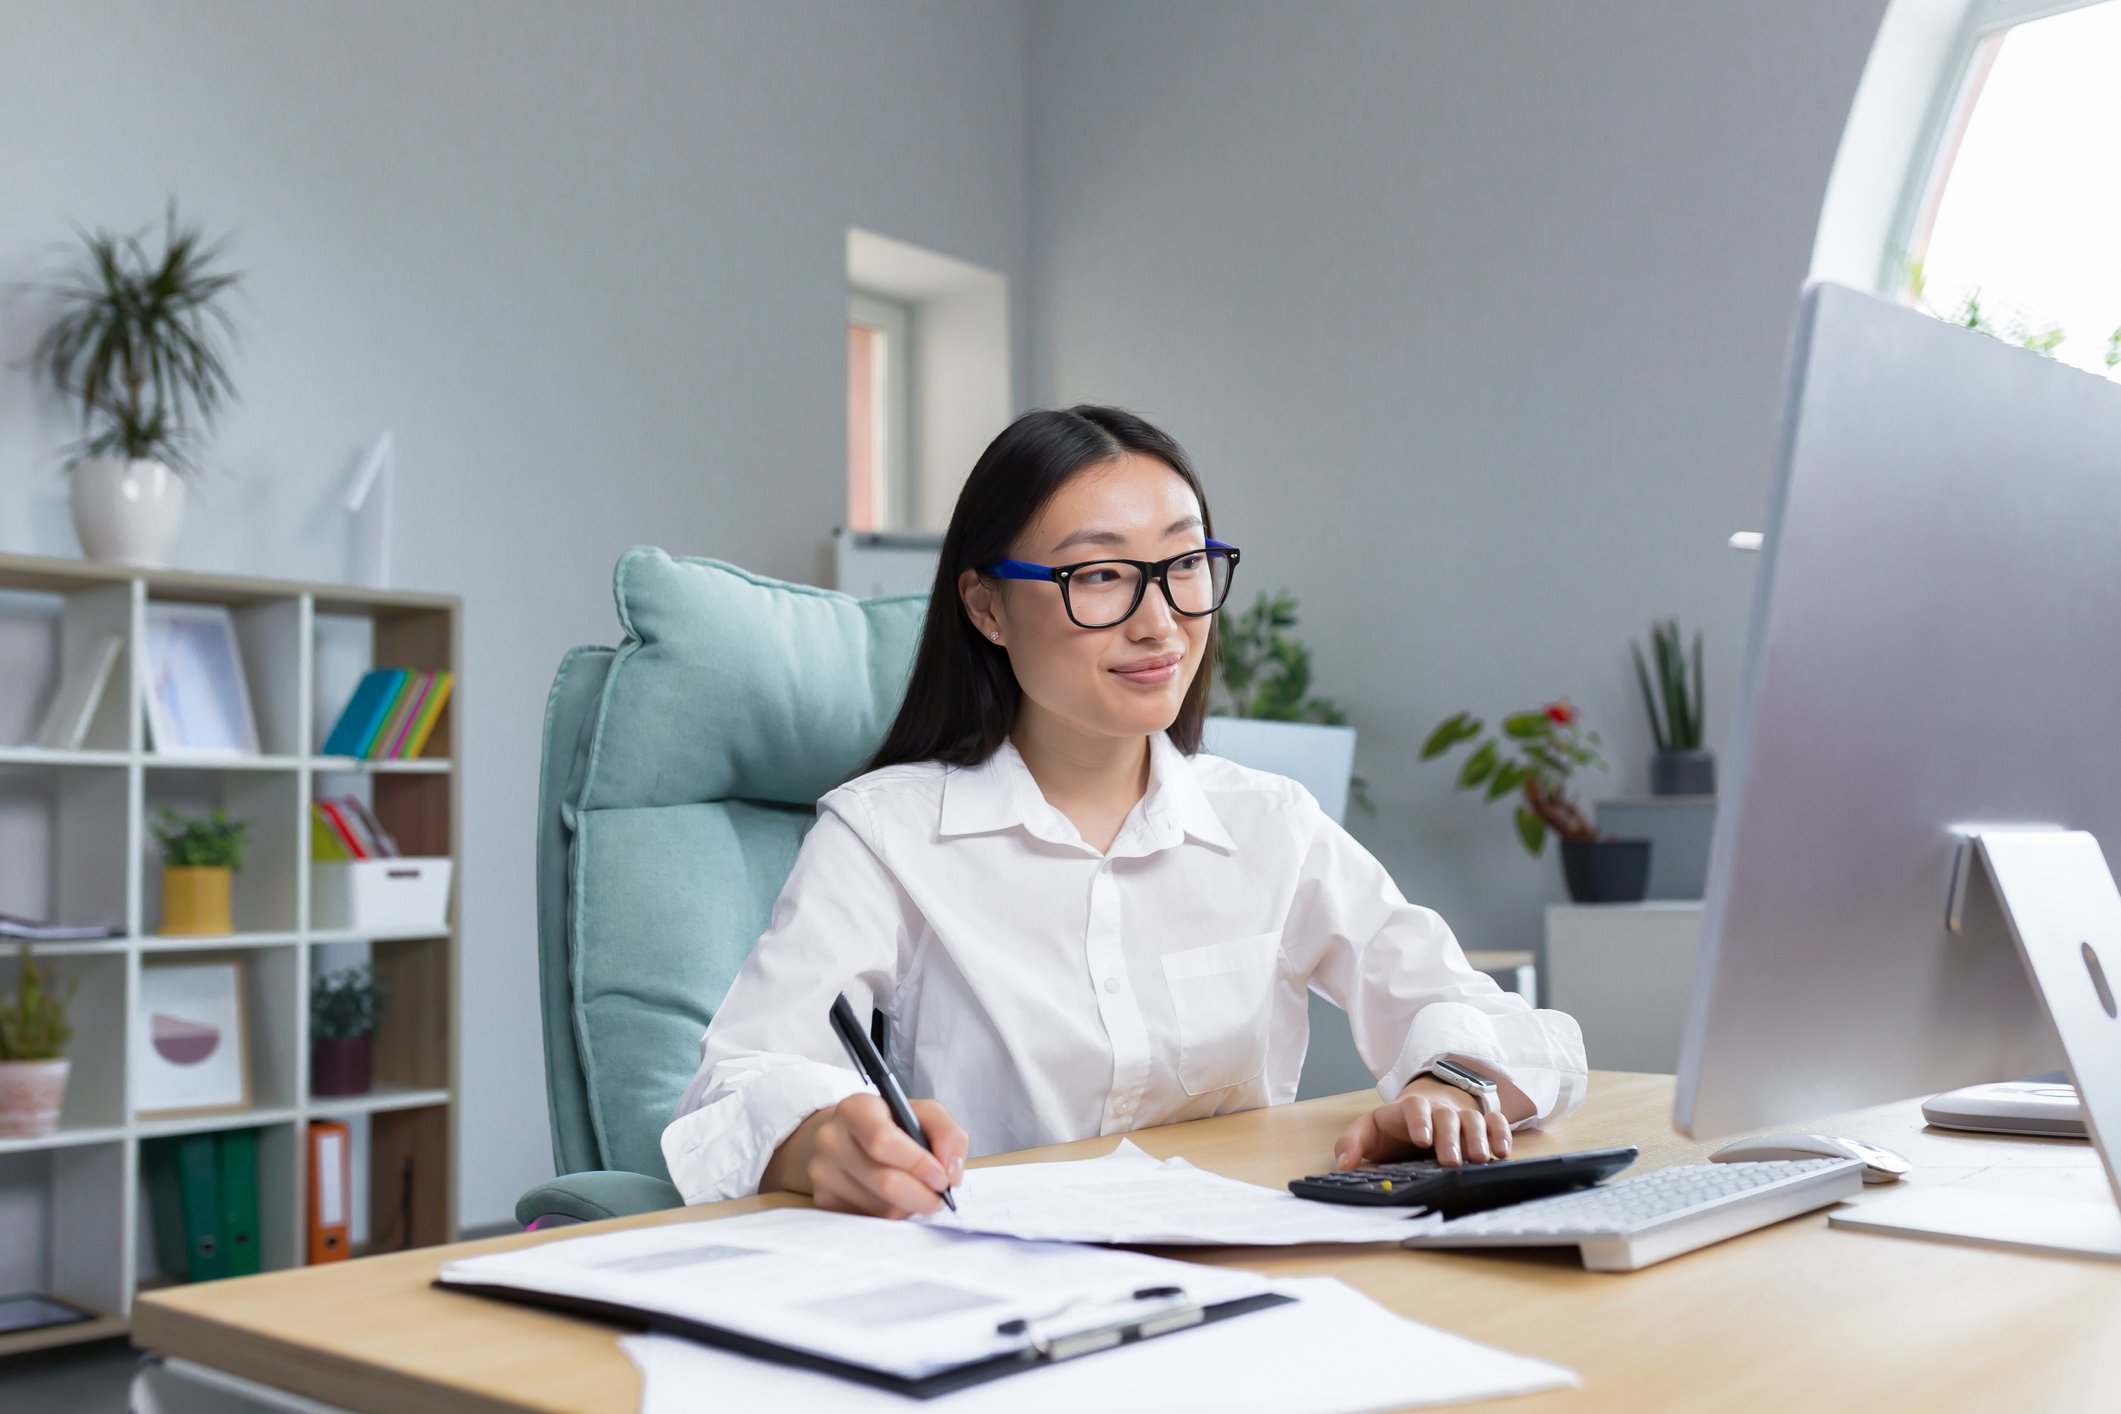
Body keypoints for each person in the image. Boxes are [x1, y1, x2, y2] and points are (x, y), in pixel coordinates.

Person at [661, 405, 1587, 1216]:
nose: (1161, 621)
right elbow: (732, 1090)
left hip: (1252, 1278)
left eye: (1183, 563)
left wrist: (1449, 1082)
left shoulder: (1268, 825)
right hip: (999, 1295)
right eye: (1100, 576)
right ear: (985, 607)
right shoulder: (885, 837)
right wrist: (822, 1140)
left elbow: (1488, 1015)